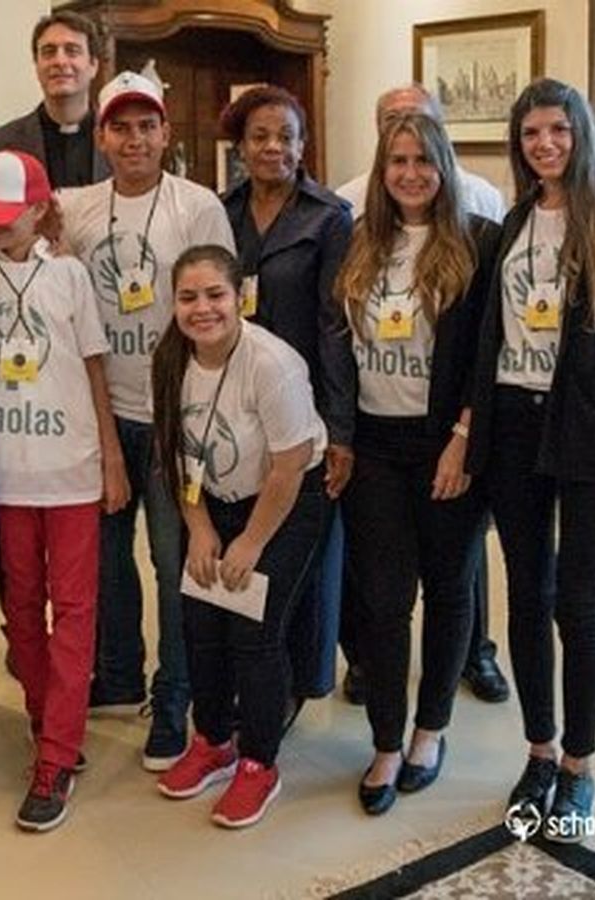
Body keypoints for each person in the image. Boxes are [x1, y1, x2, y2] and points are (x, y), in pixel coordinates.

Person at [466, 78, 595, 841]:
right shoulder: (513, 222)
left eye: (557, 131)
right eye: (530, 135)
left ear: (581, 133)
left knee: (578, 607)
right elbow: (492, 336)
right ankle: (539, 752)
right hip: (513, 425)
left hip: (588, 433)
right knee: (525, 595)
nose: (544, 145)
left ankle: (579, 766)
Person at [55, 67, 235, 769]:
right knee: (104, 560)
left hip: (170, 418)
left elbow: (220, 311)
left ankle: (174, 697)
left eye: (147, 125)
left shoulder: (196, 207)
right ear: (101, 136)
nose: (135, 139)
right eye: (120, 126)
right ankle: (121, 673)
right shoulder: (75, 209)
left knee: (170, 561)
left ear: (166, 132)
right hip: (102, 410)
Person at [0, 149, 127, 831]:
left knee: (75, 609)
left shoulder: (72, 277)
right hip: (1, 472)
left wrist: (111, 455)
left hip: (72, 469)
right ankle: (48, 722)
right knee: (20, 611)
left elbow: (93, 367)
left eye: (6, 215)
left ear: (41, 209)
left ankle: (53, 758)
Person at [334, 112, 500, 815]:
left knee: (451, 588)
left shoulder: (475, 244)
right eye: (397, 161)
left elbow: (487, 356)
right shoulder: (359, 242)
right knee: (383, 598)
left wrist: (464, 437)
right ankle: (385, 741)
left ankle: (431, 729)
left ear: (444, 168)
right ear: (382, 169)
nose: (410, 174)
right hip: (374, 444)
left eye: (423, 161)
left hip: (447, 445)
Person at [152, 244, 330, 829]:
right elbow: (174, 449)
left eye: (215, 295)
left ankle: (258, 762)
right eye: (188, 297)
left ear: (240, 299)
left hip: (282, 502)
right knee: (199, 624)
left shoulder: (271, 363)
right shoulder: (171, 357)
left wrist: (250, 543)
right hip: (212, 501)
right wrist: (199, 528)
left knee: (253, 632)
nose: (202, 309)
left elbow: (291, 463)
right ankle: (213, 741)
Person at [219, 85, 355, 708]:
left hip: (301, 411)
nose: (273, 147)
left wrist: (340, 429)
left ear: (303, 146)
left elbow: (335, 325)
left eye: (286, 137)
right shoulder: (223, 212)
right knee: (239, 540)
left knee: (300, 554)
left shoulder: (328, 217)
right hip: (230, 406)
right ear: (241, 147)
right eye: (260, 137)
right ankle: (244, 674)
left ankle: (300, 683)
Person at [335, 84, 507, 224]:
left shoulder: (484, 197)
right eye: (392, 118)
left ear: (439, 127)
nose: (405, 125)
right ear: (378, 126)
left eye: (417, 117)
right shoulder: (347, 199)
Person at [0, 11, 112, 189]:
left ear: (93, 65)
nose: (59, 60)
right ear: (36, 65)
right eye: (49, 52)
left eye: (72, 51)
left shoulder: (121, 143)